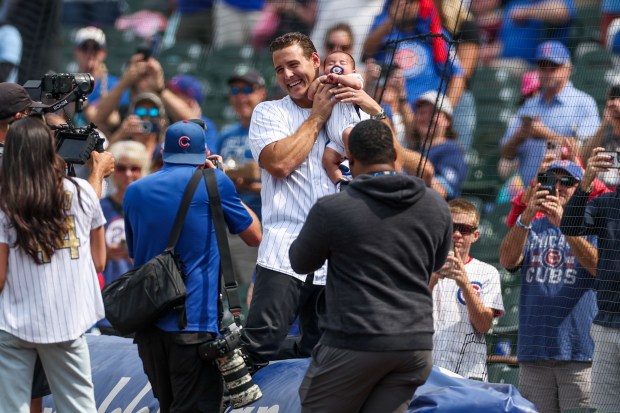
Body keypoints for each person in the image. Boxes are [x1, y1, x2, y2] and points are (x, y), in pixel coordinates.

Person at [240, 32, 386, 370]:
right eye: (280, 70)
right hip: (283, 251)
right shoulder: (269, 112)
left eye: (294, 65)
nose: (288, 75)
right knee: (259, 347)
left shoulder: (350, 106)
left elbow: (386, 160)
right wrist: (318, 115)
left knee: (323, 357)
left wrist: (375, 110)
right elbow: (279, 163)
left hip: (337, 258)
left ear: (316, 62)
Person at [289, 119, 453, 413]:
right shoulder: (436, 204)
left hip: (354, 340)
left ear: (350, 159)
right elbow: (436, 262)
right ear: (396, 156)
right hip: (413, 347)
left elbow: (300, 262)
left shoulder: (333, 208)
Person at [124, 120, 261, 412]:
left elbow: (136, 256)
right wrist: (220, 180)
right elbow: (254, 235)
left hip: (149, 325)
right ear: (205, 153)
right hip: (194, 324)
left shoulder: (134, 191)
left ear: (164, 151)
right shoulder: (215, 183)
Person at [0, 118, 106, 413]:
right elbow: (100, 262)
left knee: (11, 408)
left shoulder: (5, 201)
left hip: (13, 322)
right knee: (78, 407)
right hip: (66, 321)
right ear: (51, 151)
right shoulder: (83, 191)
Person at [499, 160, 598, 413]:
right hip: (535, 352)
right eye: (550, 180)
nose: (557, 187)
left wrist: (566, 227)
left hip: (579, 352)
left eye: (566, 182)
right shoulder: (529, 227)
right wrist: (526, 215)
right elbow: (507, 260)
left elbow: (599, 267)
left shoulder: (593, 224)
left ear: (580, 189)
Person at [560, 148, 620, 413]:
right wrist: (585, 182)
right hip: (607, 323)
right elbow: (570, 226)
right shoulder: (607, 203)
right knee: (606, 409)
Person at [500, 41, 600, 186]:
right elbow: (505, 153)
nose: (547, 71)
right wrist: (519, 136)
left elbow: (585, 153)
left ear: (568, 69)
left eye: (553, 66)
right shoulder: (529, 105)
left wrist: (544, 134)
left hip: (565, 193)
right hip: (529, 194)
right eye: (542, 66)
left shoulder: (583, 103)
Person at [430, 198, 504, 381]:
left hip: (468, 373)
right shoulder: (423, 267)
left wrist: (465, 284)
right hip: (428, 372)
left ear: (475, 235)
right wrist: (432, 279)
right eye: (452, 227)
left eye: (464, 229)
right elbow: (407, 315)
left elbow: (484, 325)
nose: (456, 234)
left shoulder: (487, 272)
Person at [0, 82, 114, 198]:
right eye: (30, 112)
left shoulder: (13, 157)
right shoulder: (16, 161)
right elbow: (85, 205)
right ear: (20, 117)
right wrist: (99, 171)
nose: (36, 118)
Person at [219, 67, 267, 289]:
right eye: (235, 91)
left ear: (262, 94)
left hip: (258, 225)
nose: (241, 96)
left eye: (248, 89)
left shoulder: (271, 131)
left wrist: (252, 185)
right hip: (227, 225)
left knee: (252, 291)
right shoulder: (226, 134)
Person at [97, 140, 149, 335]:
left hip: (143, 304)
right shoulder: (100, 206)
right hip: (108, 303)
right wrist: (106, 254)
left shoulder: (152, 208)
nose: (128, 174)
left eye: (135, 168)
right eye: (121, 168)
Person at [411, 91, 467, 200]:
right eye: (422, 112)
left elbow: (442, 191)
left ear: (447, 121)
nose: (427, 118)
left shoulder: (451, 150)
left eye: (433, 113)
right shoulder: (413, 149)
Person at [72, 26, 130, 130]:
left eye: (95, 48)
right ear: (76, 51)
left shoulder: (115, 86)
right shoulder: (66, 84)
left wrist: (86, 107)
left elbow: (116, 121)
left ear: (103, 53)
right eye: (85, 48)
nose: (90, 53)